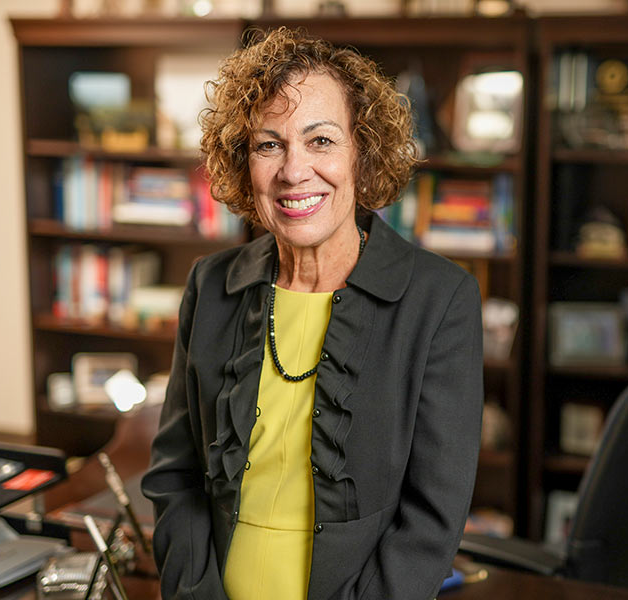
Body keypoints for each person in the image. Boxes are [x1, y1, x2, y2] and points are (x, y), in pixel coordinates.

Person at [141, 27, 483, 600]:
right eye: (268, 145)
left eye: (320, 140)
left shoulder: (440, 300)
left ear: (362, 152)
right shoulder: (210, 285)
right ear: (243, 162)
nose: (294, 171)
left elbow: (431, 519)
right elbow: (175, 477)